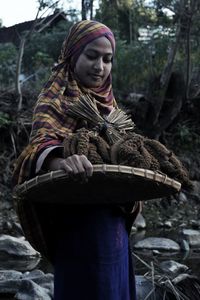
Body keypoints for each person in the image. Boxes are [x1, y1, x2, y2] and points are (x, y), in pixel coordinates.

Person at [13, 20, 142, 300]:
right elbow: (40, 144)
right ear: (73, 54)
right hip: (77, 224)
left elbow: (124, 153)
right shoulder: (55, 99)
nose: (100, 67)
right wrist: (60, 162)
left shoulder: (111, 108)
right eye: (91, 56)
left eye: (108, 60)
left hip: (113, 224)